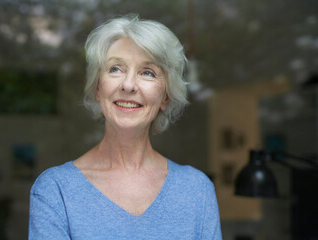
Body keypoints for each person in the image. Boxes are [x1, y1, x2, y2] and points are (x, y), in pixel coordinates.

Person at [29, 14, 222, 240]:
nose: (128, 85)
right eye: (115, 69)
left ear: (165, 98)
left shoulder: (197, 191)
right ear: (98, 88)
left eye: (147, 72)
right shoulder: (55, 191)